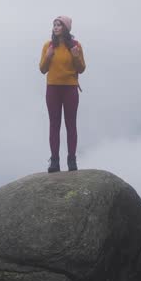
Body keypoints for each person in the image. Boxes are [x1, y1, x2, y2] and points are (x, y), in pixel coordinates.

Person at [38, 15, 85, 172]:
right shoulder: (48, 46)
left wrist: (76, 56)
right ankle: (55, 161)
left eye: (59, 25)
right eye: (54, 25)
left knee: (71, 125)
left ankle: (72, 160)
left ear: (66, 28)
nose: (56, 27)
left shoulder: (76, 46)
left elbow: (81, 69)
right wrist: (48, 56)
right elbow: (43, 69)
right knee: (54, 125)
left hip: (70, 88)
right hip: (53, 88)